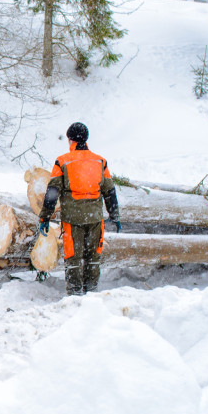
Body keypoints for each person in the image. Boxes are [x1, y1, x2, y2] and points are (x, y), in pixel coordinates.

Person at [38, 122, 120, 295]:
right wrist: (115, 215)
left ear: (70, 140)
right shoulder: (100, 161)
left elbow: (52, 192)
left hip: (72, 220)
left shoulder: (62, 161)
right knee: (93, 258)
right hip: (95, 219)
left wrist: (44, 217)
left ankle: (74, 294)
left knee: (73, 258)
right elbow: (109, 191)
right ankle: (91, 292)